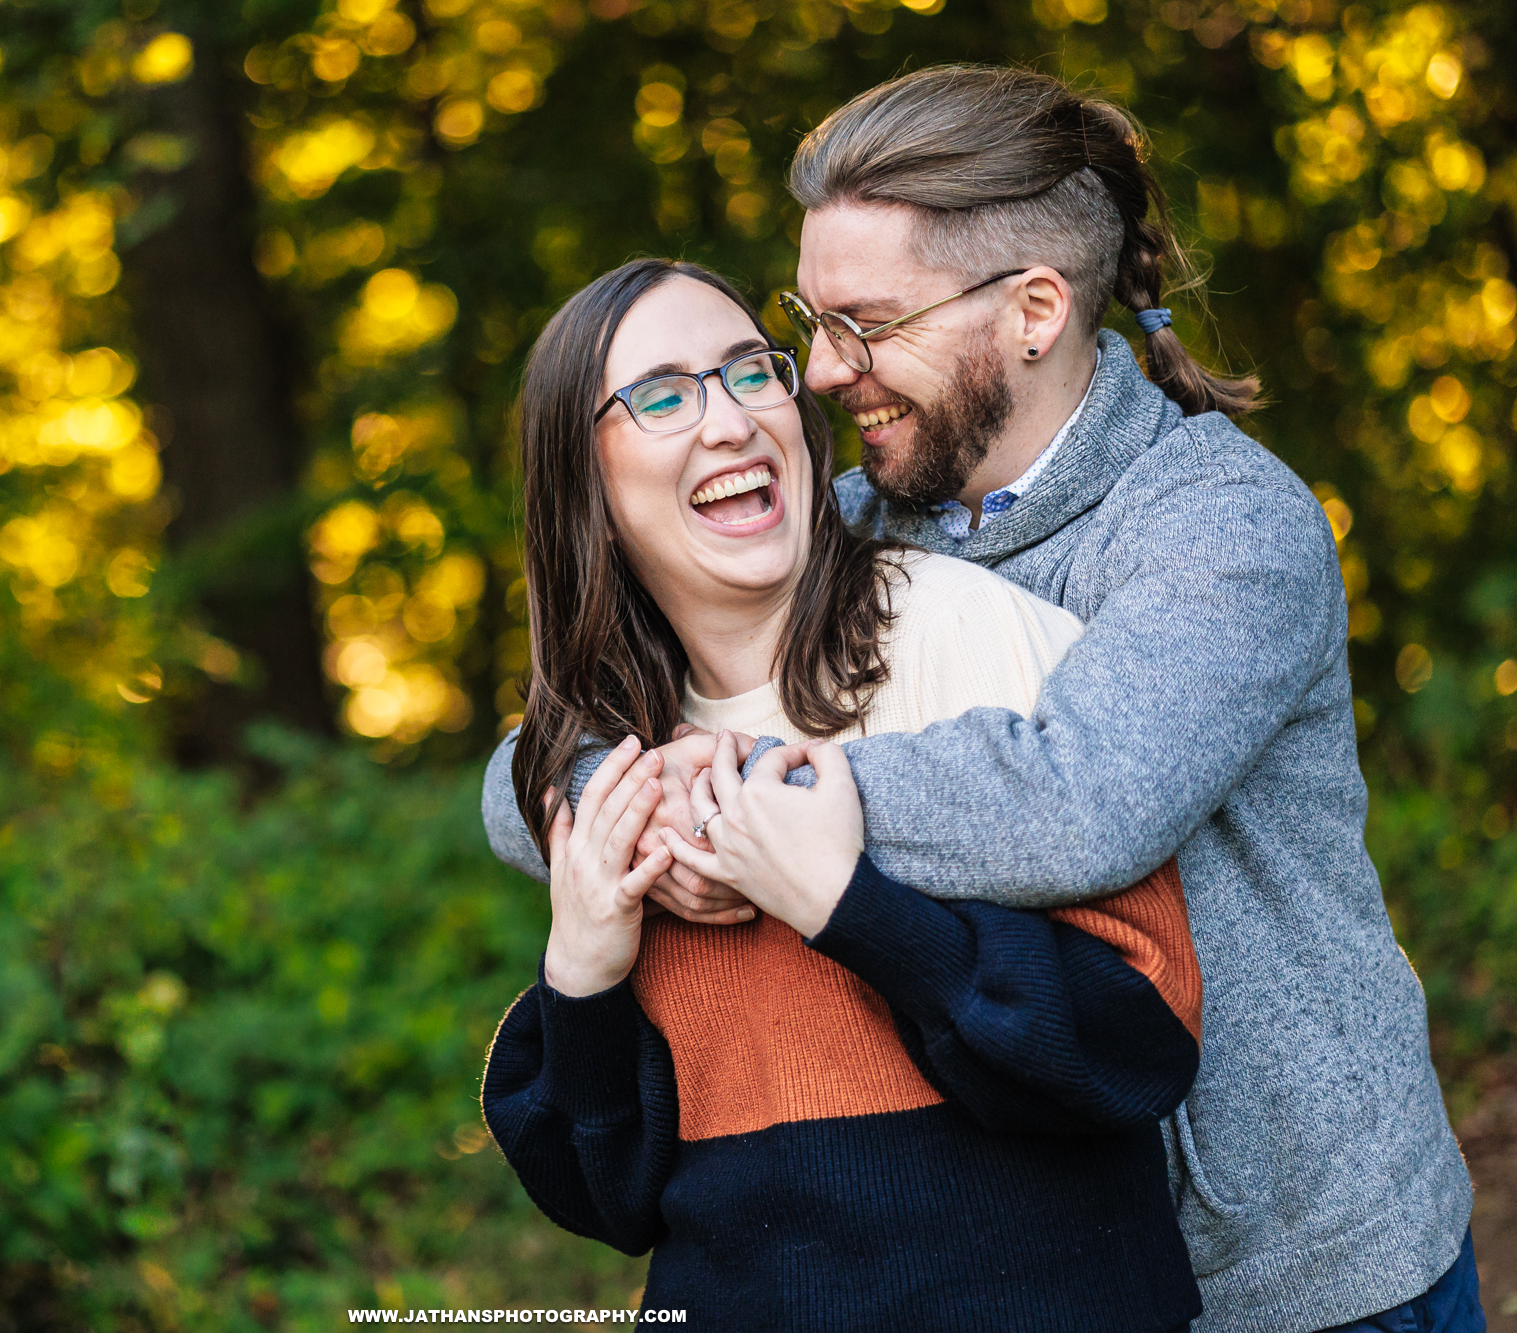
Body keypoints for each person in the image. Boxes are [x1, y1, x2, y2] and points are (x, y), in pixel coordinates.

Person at [481, 66, 1484, 1333]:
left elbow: (1078, 796)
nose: (823, 373)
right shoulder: (843, 528)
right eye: (809, 320)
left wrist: (755, 803)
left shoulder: (1218, 527)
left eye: (866, 322)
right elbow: (530, 768)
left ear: (1031, 309)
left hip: (1294, 1266)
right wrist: (619, 798)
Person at [483, 255, 1206, 1330]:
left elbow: (1133, 1047)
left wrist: (848, 907)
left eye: (747, 374)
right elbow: (606, 1195)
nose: (727, 422)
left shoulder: (970, 634)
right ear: (579, 478)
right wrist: (582, 969)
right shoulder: (618, 763)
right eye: (664, 395)